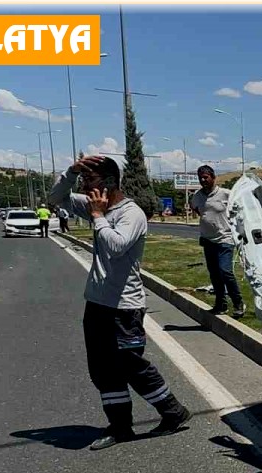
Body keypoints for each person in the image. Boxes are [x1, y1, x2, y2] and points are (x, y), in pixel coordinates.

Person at [48, 155, 191, 451]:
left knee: (130, 365)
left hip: (124, 306)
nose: (85, 186)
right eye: (84, 181)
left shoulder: (131, 213)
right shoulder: (94, 205)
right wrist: (71, 172)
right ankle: (120, 426)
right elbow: (55, 197)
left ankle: (173, 411)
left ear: (110, 183)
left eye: (90, 181)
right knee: (102, 369)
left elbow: (116, 247)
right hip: (98, 304)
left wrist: (98, 216)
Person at [189, 165, 245, 319]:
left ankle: (238, 302)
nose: (203, 180)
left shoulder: (226, 194)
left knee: (225, 271)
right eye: (200, 177)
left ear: (213, 177)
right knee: (214, 274)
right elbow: (197, 209)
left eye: (206, 177)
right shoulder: (197, 196)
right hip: (208, 240)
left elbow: (239, 209)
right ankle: (221, 304)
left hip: (225, 239)